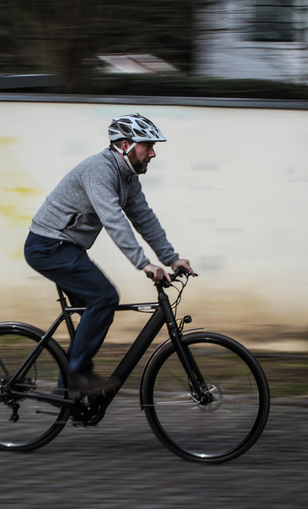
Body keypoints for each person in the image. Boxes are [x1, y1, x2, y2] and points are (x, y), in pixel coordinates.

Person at [24, 113, 196, 397]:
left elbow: (143, 218)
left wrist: (171, 257)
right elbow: (114, 219)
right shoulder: (99, 170)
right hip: (48, 246)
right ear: (126, 145)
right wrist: (144, 264)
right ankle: (76, 377)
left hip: (66, 247)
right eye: (148, 146)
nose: (153, 153)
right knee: (104, 297)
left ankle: (70, 384)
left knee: (96, 306)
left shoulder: (127, 177)